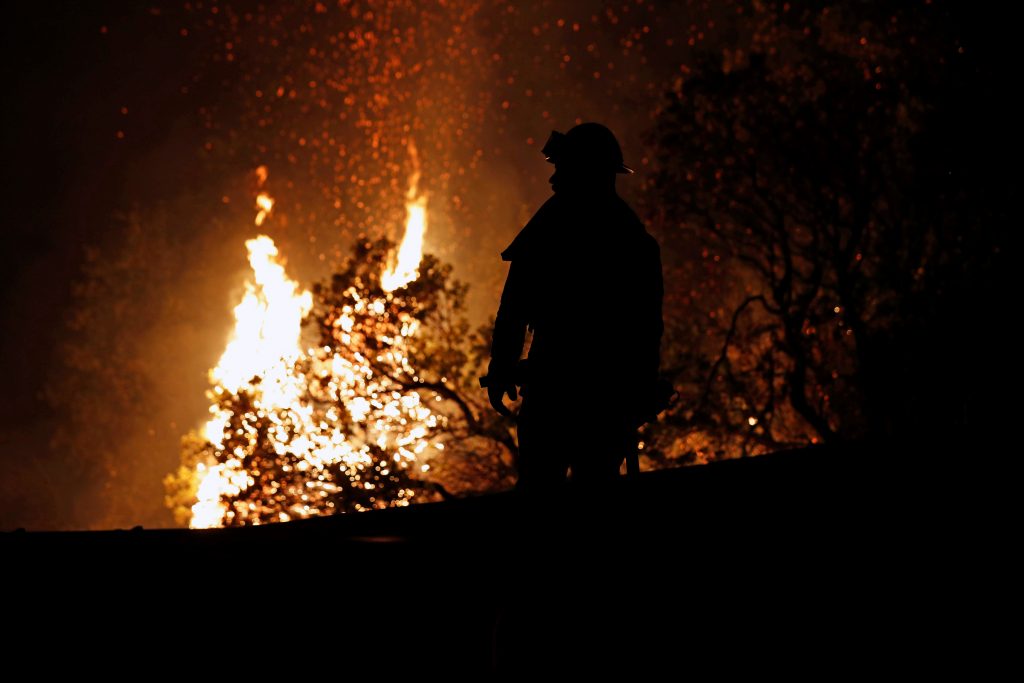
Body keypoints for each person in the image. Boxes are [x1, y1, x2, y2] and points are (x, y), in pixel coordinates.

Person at [483, 122, 665, 491]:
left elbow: (514, 309)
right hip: (606, 400)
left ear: (586, 171)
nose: (554, 180)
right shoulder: (633, 239)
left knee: (541, 490)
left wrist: (502, 365)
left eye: (562, 168)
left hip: (560, 396)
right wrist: (640, 386)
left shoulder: (550, 230)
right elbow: (648, 328)